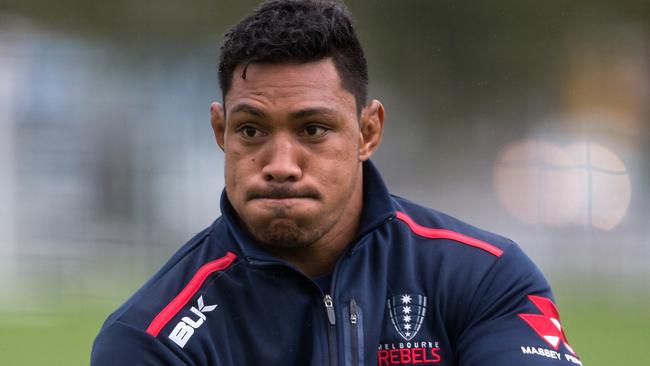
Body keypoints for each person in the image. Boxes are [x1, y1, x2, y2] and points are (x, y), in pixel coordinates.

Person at [91, 0, 582, 365]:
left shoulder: (484, 276)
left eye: (313, 130)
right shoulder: (149, 338)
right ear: (220, 132)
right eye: (251, 130)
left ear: (368, 132)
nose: (280, 163)